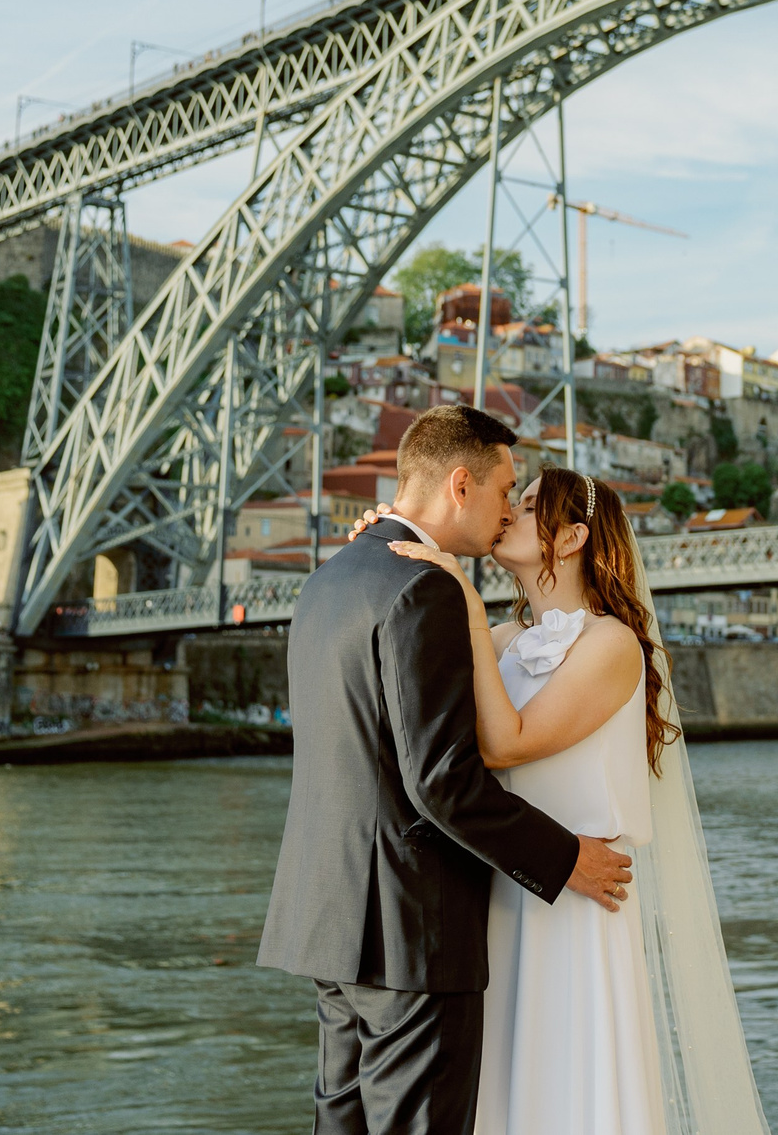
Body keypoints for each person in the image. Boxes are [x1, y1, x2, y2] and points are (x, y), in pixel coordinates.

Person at [258, 404, 634, 1135]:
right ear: (461, 485)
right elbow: (440, 780)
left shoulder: (328, 578)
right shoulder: (425, 588)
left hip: (332, 920)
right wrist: (565, 859)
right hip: (413, 928)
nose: (506, 512)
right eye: (505, 490)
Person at [383, 470, 681, 1135]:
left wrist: (460, 589)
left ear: (572, 537)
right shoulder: (502, 642)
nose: (509, 513)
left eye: (527, 505)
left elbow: (505, 743)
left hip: (581, 899)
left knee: (573, 1089)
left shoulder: (611, 645)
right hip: (508, 891)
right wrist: (385, 543)